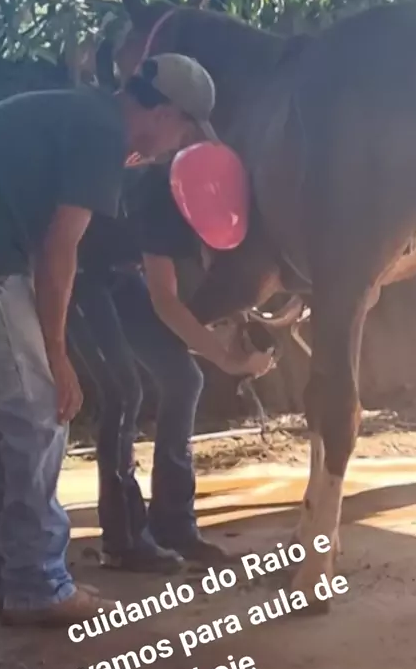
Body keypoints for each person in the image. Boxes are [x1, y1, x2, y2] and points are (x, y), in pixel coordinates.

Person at [0, 52, 224, 627]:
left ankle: (9, 576)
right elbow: (59, 250)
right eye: (184, 131)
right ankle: (36, 584)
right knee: (40, 412)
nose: (177, 146)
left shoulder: (81, 113)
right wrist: (57, 356)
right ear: (164, 113)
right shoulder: (101, 133)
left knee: (10, 418)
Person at [68, 154, 274, 574]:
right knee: (123, 393)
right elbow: (165, 301)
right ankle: (124, 540)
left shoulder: (217, 206)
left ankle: (173, 524)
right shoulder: (159, 200)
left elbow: (213, 282)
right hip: (80, 274)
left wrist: (237, 327)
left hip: (123, 275)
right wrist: (227, 360)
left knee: (183, 379)